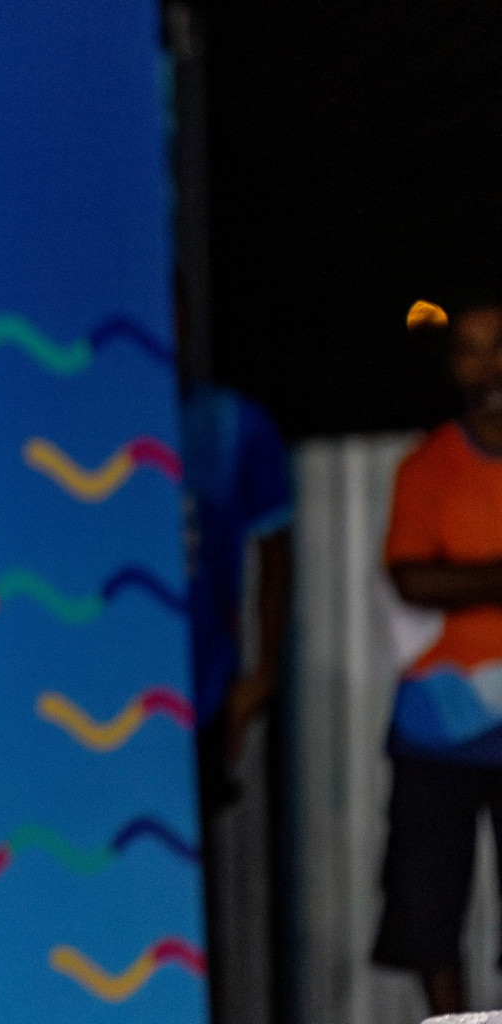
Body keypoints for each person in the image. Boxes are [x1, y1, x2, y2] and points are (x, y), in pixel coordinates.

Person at [375, 291, 502, 1015]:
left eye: (498, 343)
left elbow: (437, 574)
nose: (487, 364)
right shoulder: (426, 467)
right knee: (427, 900)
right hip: (439, 722)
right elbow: (411, 576)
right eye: (469, 347)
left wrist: (466, 576)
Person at [176, 276, 294, 1024]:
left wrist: (263, 674)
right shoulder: (92, 418)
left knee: (199, 883)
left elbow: (277, 549)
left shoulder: (231, 425)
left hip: (206, 690)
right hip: (104, 704)